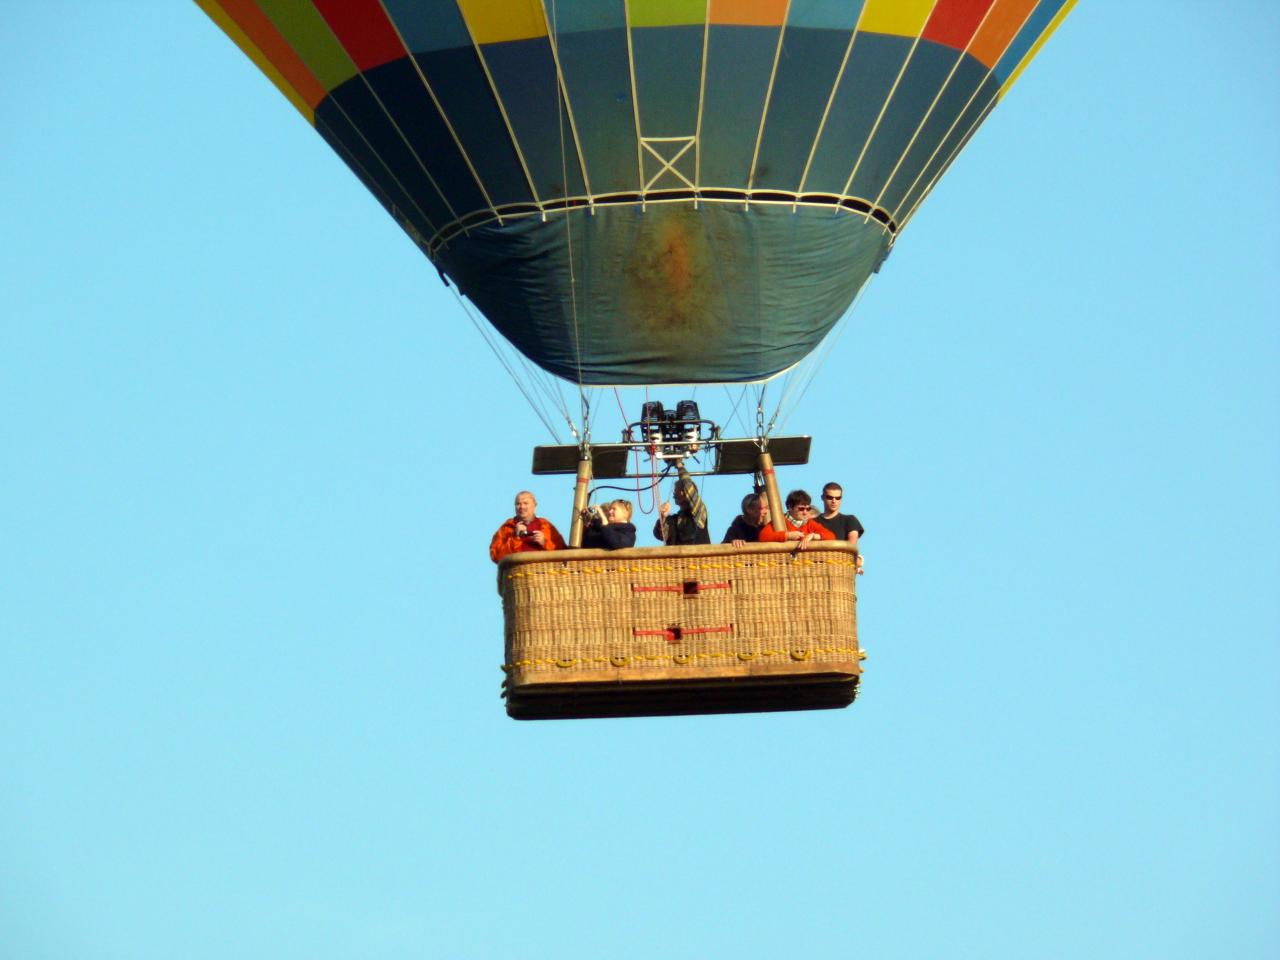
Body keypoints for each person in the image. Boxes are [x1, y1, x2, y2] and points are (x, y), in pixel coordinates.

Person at [489, 490, 566, 563]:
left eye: (525, 503)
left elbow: (563, 553)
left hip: (543, 573)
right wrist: (515, 538)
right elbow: (495, 556)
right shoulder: (508, 527)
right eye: (518, 504)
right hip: (517, 573)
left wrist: (544, 542)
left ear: (534, 506)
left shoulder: (545, 525)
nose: (521, 507)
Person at [653, 461, 710, 545]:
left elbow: (688, 486)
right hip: (677, 557)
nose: (674, 492)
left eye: (676, 489)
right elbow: (660, 535)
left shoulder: (699, 513)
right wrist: (662, 516)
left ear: (684, 492)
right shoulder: (673, 520)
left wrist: (680, 466)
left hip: (696, 557)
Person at [814, 481, 865, 573]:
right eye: (830, 497)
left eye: (837, 498)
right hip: (818, 571)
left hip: (840, 571)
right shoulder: (813, 522)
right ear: (822, 498)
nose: (834, 501)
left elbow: (851, 547)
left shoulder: (850, 520)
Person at [758, 489, 835, 550]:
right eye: (801, 509)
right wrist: (787, 535)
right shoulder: (779, 521)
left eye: (808, 509)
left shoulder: (809, 523)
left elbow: (831, 536)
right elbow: (763, 536)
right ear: (790, 507)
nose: (805, 512)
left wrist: (813, 536)